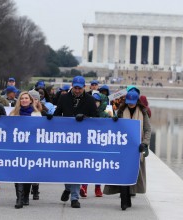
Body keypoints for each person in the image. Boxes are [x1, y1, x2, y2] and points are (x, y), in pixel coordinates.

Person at [103, 88, 151, 211]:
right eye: (129, 101)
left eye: (132, 101)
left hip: (136, 148)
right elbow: (114, 128)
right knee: (122, 173)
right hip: (122, 148)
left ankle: (128, 198)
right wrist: (114, 120)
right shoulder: (121, 110)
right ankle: (124, 201)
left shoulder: (143, 112)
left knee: (132, 174)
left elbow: (147, 129)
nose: (130, 104)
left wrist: (144, 143)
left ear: (137, 101)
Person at [54, 76, 97, 208]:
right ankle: (68, 188)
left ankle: (74, 197)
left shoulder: (90, 100)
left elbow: (97, 119)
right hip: (66, 138)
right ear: (72, 86)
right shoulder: (64, 97)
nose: (77, 90)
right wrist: (49, 117)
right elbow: (57, 114)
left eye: (79, 88)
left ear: (84, 87)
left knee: (77, 167)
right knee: (67, 166)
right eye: (75, 87)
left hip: (82, 139)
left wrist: (85, 118)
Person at [9, 91, 42, 209]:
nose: (24, 100)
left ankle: (26, 196)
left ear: (30, 100)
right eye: (21, 98)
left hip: (30, 148)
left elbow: (40, 132)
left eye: (26, 98)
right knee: (17, 173)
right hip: (17, 147)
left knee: (28, 172)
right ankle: (19, 198)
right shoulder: (13, 114)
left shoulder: (36, 114)